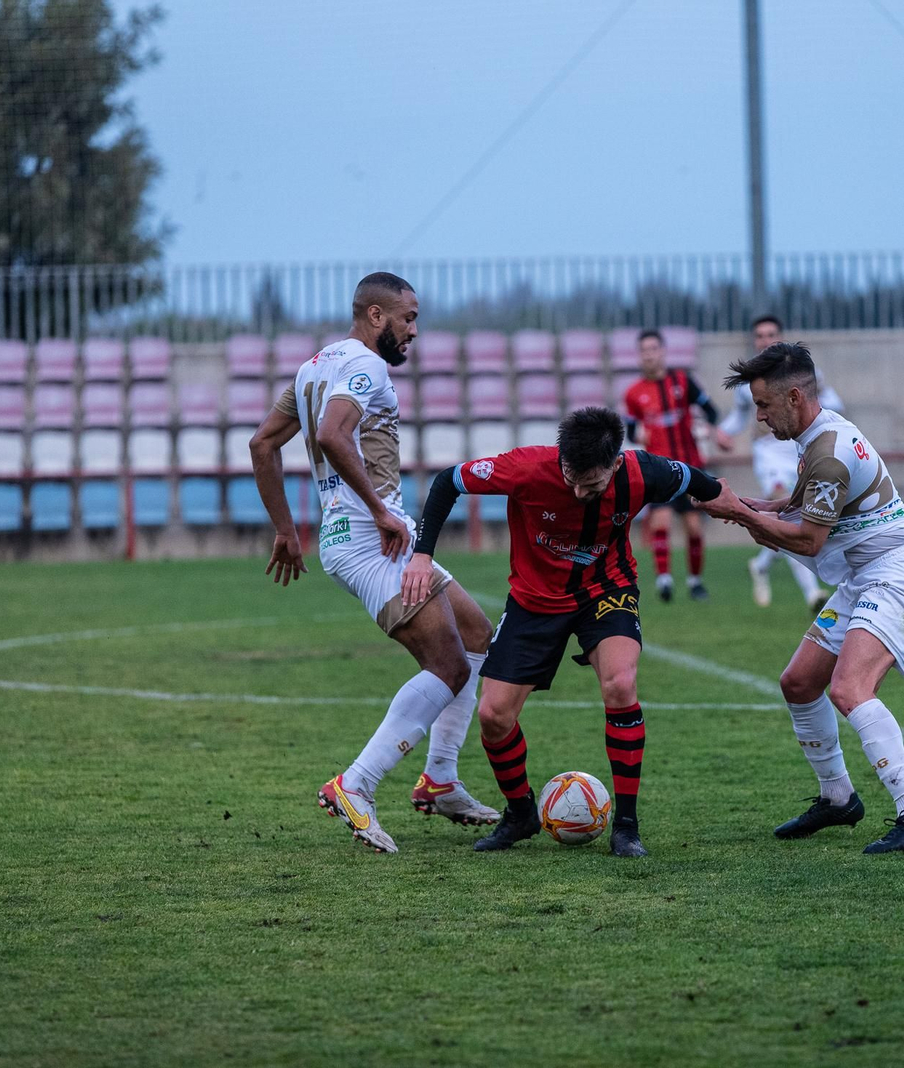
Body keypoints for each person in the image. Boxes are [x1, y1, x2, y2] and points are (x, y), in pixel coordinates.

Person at [246, 271, 499, 855]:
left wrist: (286, 528)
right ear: (376, 315)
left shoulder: (314, 367)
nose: (414, 331)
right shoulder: (367, 365)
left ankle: (440, 779)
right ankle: (355, 784)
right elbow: (333, 435)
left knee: (476, 636)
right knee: (448, 666)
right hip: (371, 539)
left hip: (360, 535)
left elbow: (262, 443)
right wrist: (381, 510)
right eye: (408, 318)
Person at [401, 406, 724, 858]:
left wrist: (749, 514)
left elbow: (702, 484)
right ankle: (521, 813)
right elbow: (447, 482)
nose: (577, 491)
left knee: (621, 684)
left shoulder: (643, 471)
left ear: (616, 464)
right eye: (571, 477)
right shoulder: (526, 468)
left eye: (591, 484)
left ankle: (626, 827)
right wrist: (422, 555)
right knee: (493, 715)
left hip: (606, 592)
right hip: (534, 601)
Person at [699, 342, 904, 854]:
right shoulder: (817, 434)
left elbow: (809, 540)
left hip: (898, 576)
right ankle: (838, 798)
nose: (759, 417)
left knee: (850, 688)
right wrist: (748, 505)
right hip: (865, 577)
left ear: (794, 397)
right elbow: (800, 506)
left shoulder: (828, 453)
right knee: (798, 682)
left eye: (763, 405)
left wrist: (740, 514)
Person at [718, 314, 845, 612]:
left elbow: (832, 402)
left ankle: (762, 564)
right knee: (791, 514)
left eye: (770, 334)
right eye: (759, 335)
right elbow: (740, 416)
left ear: (780, 337)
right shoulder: (749, 381)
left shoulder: (803, 372)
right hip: (769, 453)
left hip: (799, 448)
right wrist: (724, 432)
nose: (765, 340)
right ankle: (812, 593)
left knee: (799, 513)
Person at [621, 329, 733, 601]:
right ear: (639, 355)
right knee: (661, 523)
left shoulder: (683, 381)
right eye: (644, 350)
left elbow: (711, 410)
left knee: (694, 526)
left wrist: (715, 431)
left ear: (662, 352)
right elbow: (631, 429)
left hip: (691, 465)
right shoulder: (634, 393)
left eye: (653, 349)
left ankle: (695, 582)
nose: (649, 355)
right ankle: (664, 581)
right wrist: (639, 435)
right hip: (658, 468)